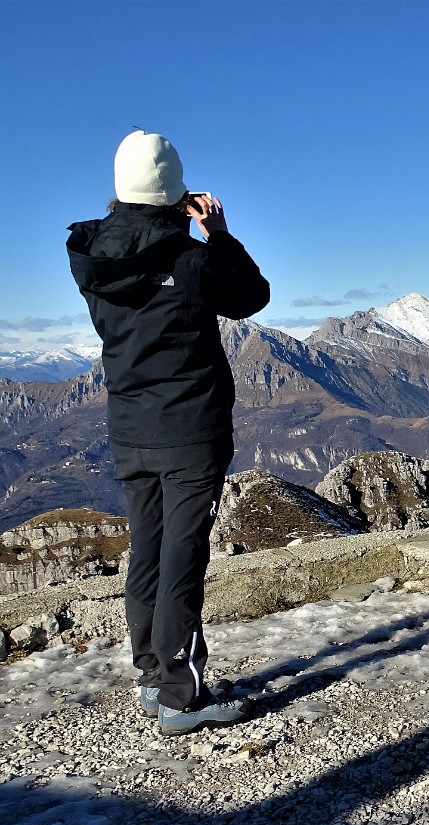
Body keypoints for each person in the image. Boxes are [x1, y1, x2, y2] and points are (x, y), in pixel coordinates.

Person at [66, 130, 270, 735]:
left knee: (148, 550)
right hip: (190, 431)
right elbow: (251, 297)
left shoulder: (92, 259)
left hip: (129, 428)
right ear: (177, 193)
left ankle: (154, 673)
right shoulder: (193, 259)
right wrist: (219, 234)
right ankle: (182, 697)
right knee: (184, 555)